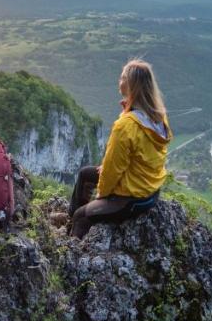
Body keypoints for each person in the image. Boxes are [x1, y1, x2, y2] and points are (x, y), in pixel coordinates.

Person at [69, 58, 172, 239]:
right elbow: (140, 152)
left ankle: (71, 246)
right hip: (150, 190)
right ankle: (70, 222)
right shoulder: (158, 116)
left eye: (122, 77)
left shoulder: (125, 125)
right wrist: (128, 110)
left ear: (131, 85)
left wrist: (102, 195)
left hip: (132, 198)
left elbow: (112, 170)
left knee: (81, 217)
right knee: (85, 174)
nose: (119, 80)